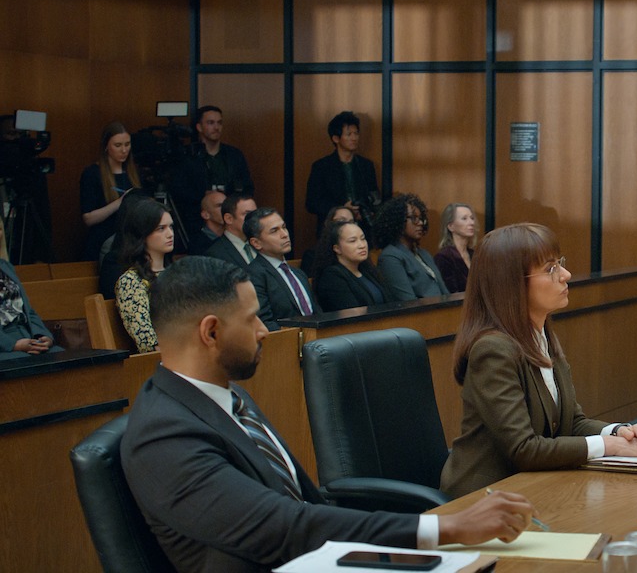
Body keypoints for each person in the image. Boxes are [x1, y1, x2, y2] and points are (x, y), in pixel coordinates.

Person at [121, 256, 536, 573]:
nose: (264, 331)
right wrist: (447, 529)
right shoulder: (163, 433)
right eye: (252, 320)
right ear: (210, 332)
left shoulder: (223, 397)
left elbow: (306, 503)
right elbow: (284, 527)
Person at [439, 223, 637, 498]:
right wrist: (610, 446)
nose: (566, 275)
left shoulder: (541, 335)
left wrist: (619, 432)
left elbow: (572, 423)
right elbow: (525, 449)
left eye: (559, 264)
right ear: (512, 284)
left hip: (531, 487)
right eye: (551, 269)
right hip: (482, 499)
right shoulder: (492, 350)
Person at [171, 106, 255, 243]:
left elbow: (248, 187)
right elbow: (178, 191)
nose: (216, 127)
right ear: (199, 127)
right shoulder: (187, 157)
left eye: (219, 123)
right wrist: (204, 197)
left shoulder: (234, 155)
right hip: (195, 222)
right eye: (210, 123)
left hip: (233, 218)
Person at [244, 207, 320, 330]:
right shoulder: (254, 275)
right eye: (274, 231)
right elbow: (263, 323)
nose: (285, 235)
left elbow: (317, 314)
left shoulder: (298, 273)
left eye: (284, 227)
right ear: (256, 243)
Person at [115, 199, 175, 353]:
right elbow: (147, 342)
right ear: (142, 234)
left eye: (170, 227)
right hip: (164, 363)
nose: (170, 234)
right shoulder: (130, 282)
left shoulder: (178, 272)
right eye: (161, 228)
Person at [305, 111, 378, 235]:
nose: (354, 138)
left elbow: (375, 196)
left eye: (356, 133)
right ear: (336, 138)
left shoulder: (366, 165)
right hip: (332, 231)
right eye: (349, 134)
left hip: (363, 229)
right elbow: (312, 203)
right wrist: (341, 208)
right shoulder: (321, 167)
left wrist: (366, 210)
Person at [80, 121, 142, 261]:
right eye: (118, 145)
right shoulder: (92, 174)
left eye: (127, 144)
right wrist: (120, 202)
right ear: (106, 146)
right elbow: (88, 218)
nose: (124, 150)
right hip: (104, 241)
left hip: (131, 241)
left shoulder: (134, 172)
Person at [0, 225, 62, 360]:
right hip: (5, 346)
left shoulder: (6, 267)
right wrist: (13, 345)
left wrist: (43, 336)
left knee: (65, 358)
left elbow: (28, 311)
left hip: (27, 337)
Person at [375, 194, 449, 302]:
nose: (420, 223)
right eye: (414, 218)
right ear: (398, 221)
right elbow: (407, 302)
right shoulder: (390, 257)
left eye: (421, 218)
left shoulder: (424, 254)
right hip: (421, 316)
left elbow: (445, 293)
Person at [312, 220, 395, 311]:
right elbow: (351, 314)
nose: (362, 245)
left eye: (363, 239)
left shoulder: (367, 270)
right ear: (337, 248)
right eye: (353, 241)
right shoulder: (332, 276)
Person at [204, 193, 258, 269]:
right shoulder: (215, 254)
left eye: (256, 214)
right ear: (229, 218)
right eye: (247, 214)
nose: (255, 219)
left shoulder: (261, 244)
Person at [434, 202, 477, 294]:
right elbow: (450, 294)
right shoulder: (444, 257)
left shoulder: (475, 254)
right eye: (464, 218)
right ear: (451, 226)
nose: (472, 222)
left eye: (472, 218)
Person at [300, 206, 354, 277]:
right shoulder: (312, 255)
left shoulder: (357, 252)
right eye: (341, 221)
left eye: (351, 222)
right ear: (328, 223)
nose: (347, 225)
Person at [188, 189, 226, 256]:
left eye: (227, 204)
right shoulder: (198, 244)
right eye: (219, 206)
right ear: (206, 215)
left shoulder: (234, 237)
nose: (226, 209)